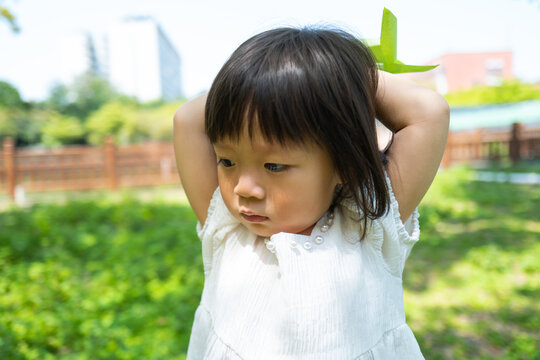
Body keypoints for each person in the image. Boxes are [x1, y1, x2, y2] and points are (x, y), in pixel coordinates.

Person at [173, 27, 449, 360]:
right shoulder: (226, 231)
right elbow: (187, 120)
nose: (243, 188)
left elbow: (428, 112)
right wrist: (262, 81)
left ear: (343, 165)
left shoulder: (370, 227)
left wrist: (340, 78)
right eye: (227, 161)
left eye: (273, 166)